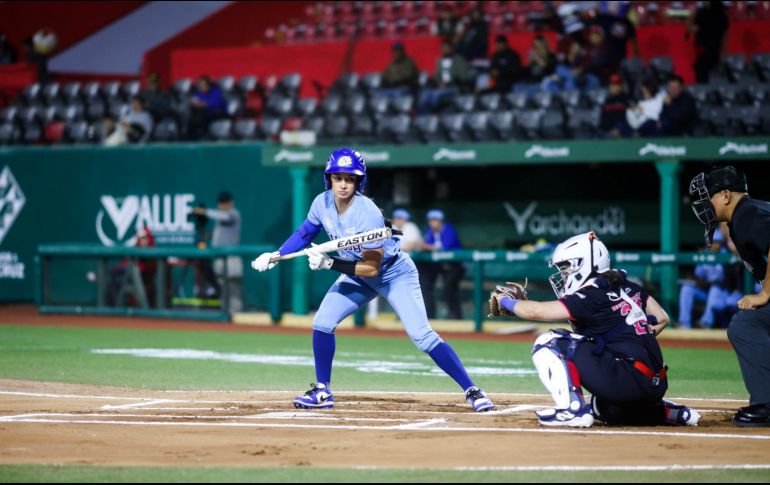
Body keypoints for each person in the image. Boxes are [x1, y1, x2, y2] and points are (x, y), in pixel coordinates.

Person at [251, 148, 494, 412]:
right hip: (356, 273)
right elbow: (304, 233)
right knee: (322, 322)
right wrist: (276, 255)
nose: (343, 184)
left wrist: (329, 263)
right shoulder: (321, 203)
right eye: (338, 178)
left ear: (359, 182)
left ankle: (472, 390)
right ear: (329, 179)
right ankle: (323, 391)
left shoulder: (367, 213)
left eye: (350, 179)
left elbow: (372, 269)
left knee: (422, 336)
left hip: (393, 273)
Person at [490, 231, 701, 428]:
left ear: (583, 264)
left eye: (566, 268)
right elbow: (662, 317)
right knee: (603, 407)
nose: (563, 275)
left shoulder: (592, 293)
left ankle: (571, 410)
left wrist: (506, 302)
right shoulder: (624, 285)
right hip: (655, 384)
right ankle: (666, 412)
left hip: (628, 377)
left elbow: (537, 312)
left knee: (550, 341)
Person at [689, 166, 770, 427]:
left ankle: (766, 404)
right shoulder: (748, 213)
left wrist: (766, 292)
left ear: (725, 195)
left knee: (746, 325)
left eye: (708, 197)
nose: (704, 204)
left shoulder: (746, 214)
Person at [678, 231, 742, 329]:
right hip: (706, 290)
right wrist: (696, 281)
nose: (714, 244)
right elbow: (698, 276)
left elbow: (730, 280)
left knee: (715, 288)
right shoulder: (704, 254)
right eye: (711, 241)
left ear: (721, 243)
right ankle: (684, 322)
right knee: (687, 288)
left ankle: (705, 322)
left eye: (717, 241)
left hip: (722, 293)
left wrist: (712, 283)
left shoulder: (727, 254)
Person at [193, 191, 242, 312]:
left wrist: (204, 211)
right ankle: (225, 316)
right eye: (221, 203)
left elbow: (225, 217)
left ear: (231, 203)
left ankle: (236, 316)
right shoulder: (220, 216)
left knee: (233, 289)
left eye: (225, 203)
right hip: (219, 259)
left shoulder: (233, 214)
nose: (222, 206)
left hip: (231, 259)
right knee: (221, 289)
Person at [420, 209, 464, 320]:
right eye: (431, 220)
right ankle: (429, 315)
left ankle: (455, 315)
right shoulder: (429, 230)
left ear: (441, 221)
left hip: (454, 265)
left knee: (449, 288)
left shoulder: (448, 229)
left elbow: (446, 246)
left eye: (436, 220)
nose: (433, 223)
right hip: (438, 265)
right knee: (426, 285)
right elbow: (425, 245)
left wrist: (429, 247)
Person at [417, 40, 473, 114]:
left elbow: (463, 76)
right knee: (424, 96)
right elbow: (436, 76)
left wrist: (447, 83)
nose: (445, 49)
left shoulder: (459, 60)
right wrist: (438, 83)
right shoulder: (439, 61)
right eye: (443, 48)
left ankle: (436, 114)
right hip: (440, 87)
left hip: (453, 87)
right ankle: (426, 118)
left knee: (435, 96)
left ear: (451, 48)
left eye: (447, 47)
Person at [688, 0, 729, 84]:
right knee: (713, 72)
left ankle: (702, 90)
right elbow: (725, 36)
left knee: (701, 70)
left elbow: (693, 30)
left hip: (702, 48)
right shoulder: (722, 14)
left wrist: (689, 20)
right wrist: (724, 51)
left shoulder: (702, 13)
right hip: (716, 49)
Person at [592, 1, 640, 68]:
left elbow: (634, 46)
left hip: (617, 61)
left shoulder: (626, 23)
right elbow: (593, 39)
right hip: (601, 61)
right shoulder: (602, 20)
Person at [188, 75, 227, 140]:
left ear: (208, 84)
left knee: (200, 114)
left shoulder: (215, 92)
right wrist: (200, 104)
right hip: (204, 114)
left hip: (218, 114)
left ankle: (204, 135)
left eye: (202, 83)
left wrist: (200, 104)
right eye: (199, 83)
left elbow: (210, 104)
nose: (200, 85)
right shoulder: (198, 93)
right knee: (194, 115)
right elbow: (193, 102)